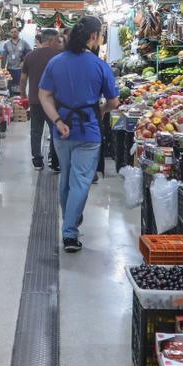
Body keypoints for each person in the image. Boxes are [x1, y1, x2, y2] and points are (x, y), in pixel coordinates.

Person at [38, 16, 118, 253]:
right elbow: (113, 102)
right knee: (81, 181)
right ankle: (70, 232)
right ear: (93, 36)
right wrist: (100, 109)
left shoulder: (56, 62)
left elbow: (44, 95)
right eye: (101, 34)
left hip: (61, 130)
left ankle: (71, 220)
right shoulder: (100, 65)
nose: (101, 39)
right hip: (89, 130)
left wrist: (58, 120)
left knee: (66, 177)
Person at [20, 28, 62, 172]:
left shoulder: (30, 56)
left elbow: (23, 78)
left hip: (35, 100)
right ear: (51, 40)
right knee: (55, 129)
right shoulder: (59, 56)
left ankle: (37, 161)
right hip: (54, 102)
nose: (59, 43)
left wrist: (23, 97)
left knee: (35, 131)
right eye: (57, 41)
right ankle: (55, 161)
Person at [0, 27, 31, 96]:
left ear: (18, 32)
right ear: (10, 33)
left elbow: (30, 53)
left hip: (20, 69)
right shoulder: (6, 44)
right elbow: (4, 57)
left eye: (15, 31)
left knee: (20, 87)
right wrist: (2, 68)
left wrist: (24, 62)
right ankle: (11, 101)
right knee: (9, 88)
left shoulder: (24, 43)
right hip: (9, 69)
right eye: (12, 32)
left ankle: (20, 102)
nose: (14, 33)